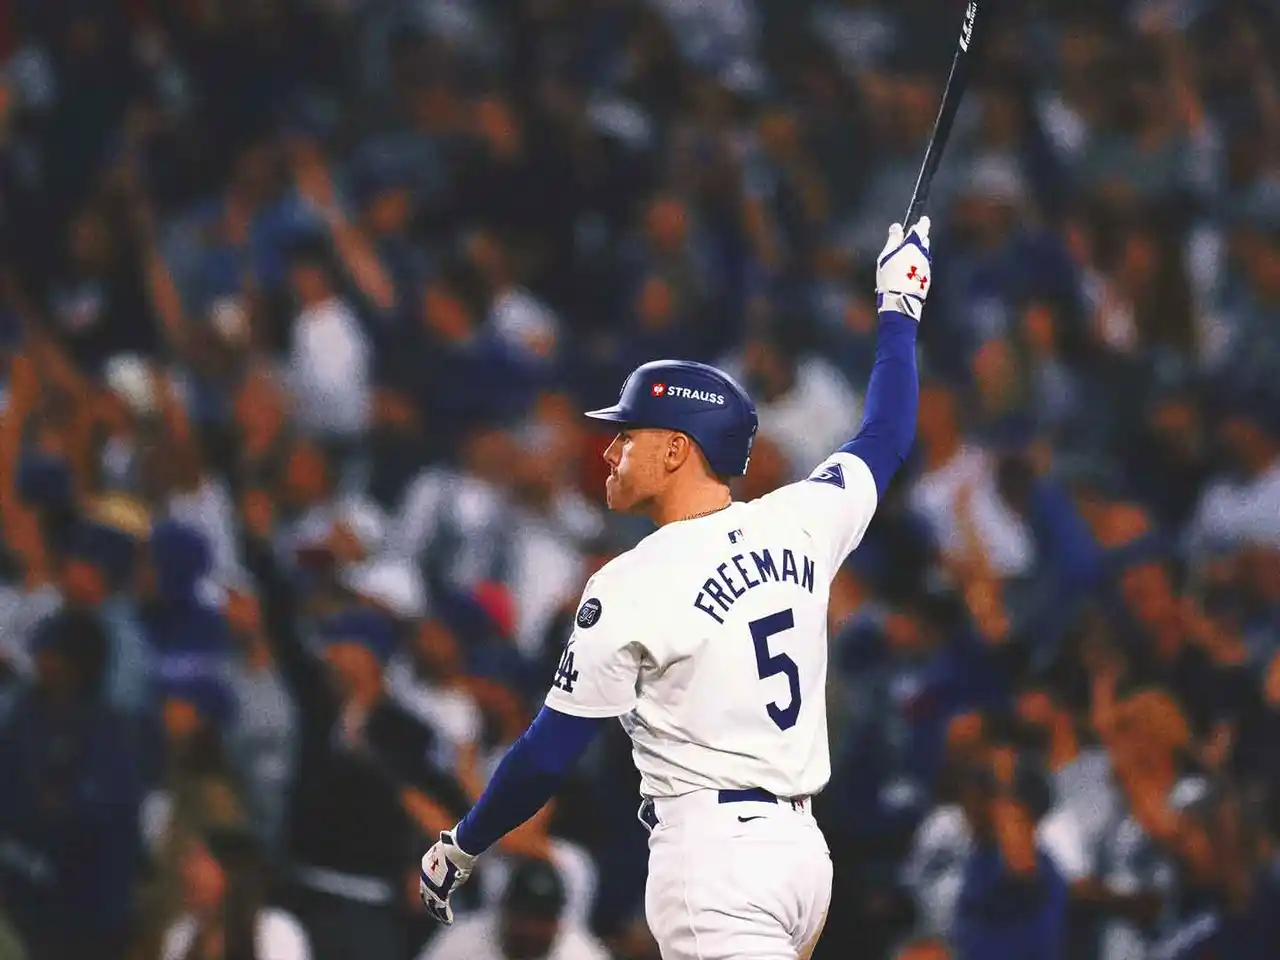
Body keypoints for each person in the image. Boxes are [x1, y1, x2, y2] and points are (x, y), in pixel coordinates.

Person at [418, 218, 932, 959]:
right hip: (801, 860)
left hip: (713, 858)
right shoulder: (799, 519)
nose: (610, 450)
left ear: (675, 449)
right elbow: (885, 435)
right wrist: (899, 309)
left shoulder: (632, 581)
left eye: (628, 435)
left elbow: (549, 754)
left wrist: (464, 843)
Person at [416, 857, 608, 960]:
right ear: (506, 912)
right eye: (525, 918)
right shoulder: (462, 942)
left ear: (557, 923)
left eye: (542, 920)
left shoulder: (581, 955)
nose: (532, 930)